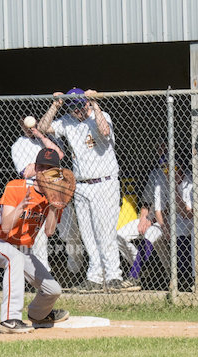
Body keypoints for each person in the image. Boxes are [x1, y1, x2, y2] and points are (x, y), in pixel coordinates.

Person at [38, 87, 125, 292]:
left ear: (85, 103)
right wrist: (55, 105)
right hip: (82, 184)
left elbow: (105, 131)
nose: (76, 111)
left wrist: (95, 104)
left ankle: (113, 276)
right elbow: (42, 128)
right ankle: (95, 277)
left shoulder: (99, 116)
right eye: (72, 108)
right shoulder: (67, 121)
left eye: (79, 106)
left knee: (105, 232)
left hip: (104, 183)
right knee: (87, 234)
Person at [0, 148, 70, 334]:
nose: (44, 172)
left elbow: (49, 231)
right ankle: (10, 319)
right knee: (15, 259)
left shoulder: (55, 195)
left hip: (21, 248)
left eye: (50, 169)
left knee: (52, 290)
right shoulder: (16, 187)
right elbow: (5, 227)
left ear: (57, 173)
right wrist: (21, 206)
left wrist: (54, 207)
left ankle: (39, 314)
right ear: (35, 168)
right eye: (41, 167)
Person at [117, 150, 194, 291]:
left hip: (186, 221)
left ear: (181, 166)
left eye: (172, 167)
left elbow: (187, 214)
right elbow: (159, 210)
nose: (168, 172)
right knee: (150, 233)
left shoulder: (189, 180)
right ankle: (136, 274)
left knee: (180, 230)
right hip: (166, 219)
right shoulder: (161, 179)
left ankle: (183, 276)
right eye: (164, 168)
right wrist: (164, 227)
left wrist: (174, 189)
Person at [10, 119, 65, 272]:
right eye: (25, 124)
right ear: (21, 125)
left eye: (33, 124)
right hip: (35, 191)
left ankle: (73, 267)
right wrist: (49, 165)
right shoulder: (18, 145)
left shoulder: (48, 139)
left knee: (67, 232)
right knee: (39, 234)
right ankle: (43, 272)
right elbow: (26, 173)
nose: (29, 128)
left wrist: (41, 136)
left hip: (56, 189)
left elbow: (60, 155)